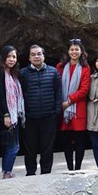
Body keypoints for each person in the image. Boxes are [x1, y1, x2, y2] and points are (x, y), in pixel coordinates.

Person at [19, 44, 63, 175]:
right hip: (30, 119)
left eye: (39, 54)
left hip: (49, 118)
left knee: (47, 149)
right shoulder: (23, 73)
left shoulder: (53, 72)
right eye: (33, 54)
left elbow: (58, 93)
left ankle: (46, 175)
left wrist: (56, 112)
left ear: (44, 56)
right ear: (29, 58)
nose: (36, 57)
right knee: (30, 150)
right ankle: (31, 174)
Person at [56, 39, 91, 171]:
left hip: (78, 109)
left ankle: (78, 168)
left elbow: (84, 89)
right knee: (66, 141)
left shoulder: (85, 68)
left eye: (77, 49)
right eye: (72, 49)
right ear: (68, 51)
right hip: (64, 110)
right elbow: (56, 86)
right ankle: (70, 169)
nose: (74, 52)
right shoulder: (60, 67)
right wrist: (62, 103)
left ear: (81, 51)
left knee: (80, 141)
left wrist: (69, 101)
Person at [0, 45, 25, 179]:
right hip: (7, 115)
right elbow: (0, 95)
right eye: (9, 56)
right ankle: (7, 173)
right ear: (3, 57)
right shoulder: (0, 72)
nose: (12, 59)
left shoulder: (12, 74)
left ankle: (7, 172)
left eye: (14, 57)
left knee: (12, 146)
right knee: (14, 146)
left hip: (14, 114)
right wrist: (6, 114)